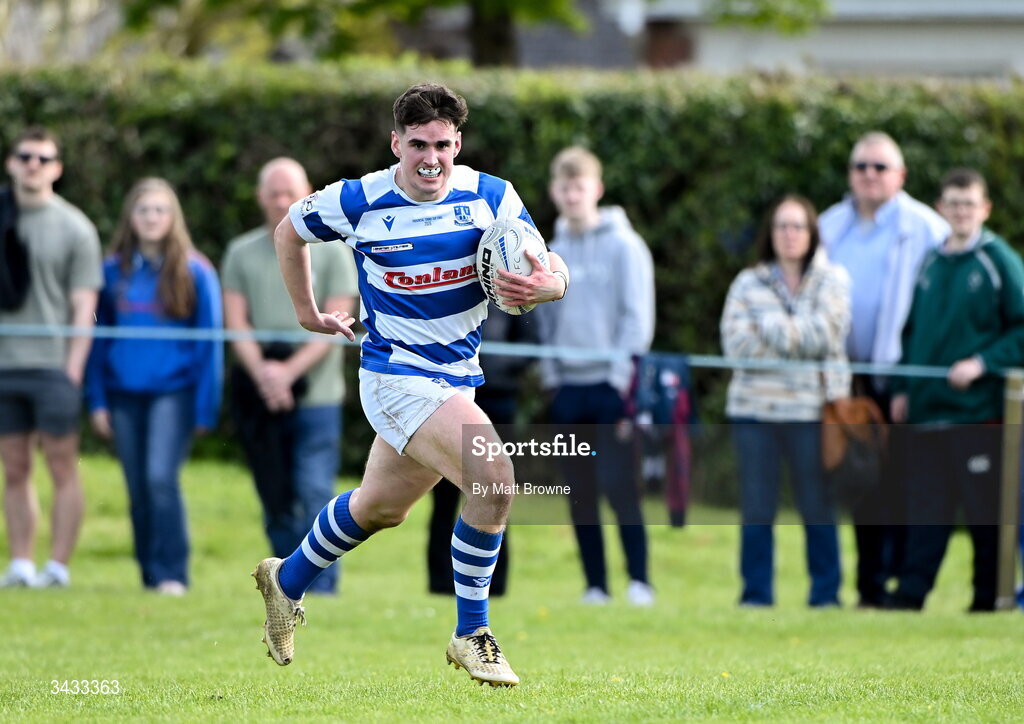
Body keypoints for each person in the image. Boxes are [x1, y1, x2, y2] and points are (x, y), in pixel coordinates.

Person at [251, 83, 569, 687]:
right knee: (495, 475)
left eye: (443, 145)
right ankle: (472, 632)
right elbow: (288, 232)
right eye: (417, 144)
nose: (431, 158)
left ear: (458, 144)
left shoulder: (491, 196)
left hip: (456, 382)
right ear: (396, 143)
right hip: (395, 376)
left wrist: (551, 285)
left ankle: (284, 579)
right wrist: (307, 312)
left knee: (379, 509)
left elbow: (545, 262)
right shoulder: (358, 200)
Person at [819, 131, 950, 608]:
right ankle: (869, 586)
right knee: (862, 483)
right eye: (861, 167)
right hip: (850, 378)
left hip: (906, 376)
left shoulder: (927, 226)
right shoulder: (830, 224)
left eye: (879, 167)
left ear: (901, 175)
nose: (869, 175)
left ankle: (904, 583)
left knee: (908, 484)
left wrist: (912, 378)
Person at [887, 169, 1024, 612]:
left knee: (984, 513)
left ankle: (987, 599)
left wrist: (982, 363)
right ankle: (910, 596)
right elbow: (913, 332)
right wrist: (905, 387)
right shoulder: (930, 261)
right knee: (924, 509)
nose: (961, 211)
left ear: (984, 209)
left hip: (976, 414)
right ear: (941, 208)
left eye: (969, 203)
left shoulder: (998, 260)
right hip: (928, 411)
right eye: (953, 202)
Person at [222, 158, 357, 596]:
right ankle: (284, 586)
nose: (282, 201)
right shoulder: (240, 253)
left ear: (308, 193)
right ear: (260, 197)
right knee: (276, 497)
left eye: (290, 192)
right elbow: (236, 324)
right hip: (260, 398)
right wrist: (264, 374)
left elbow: (338, 324)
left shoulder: (335, 251)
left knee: (315, 490)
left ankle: (323, 586)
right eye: (273, 193)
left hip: (317, 397)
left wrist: (288, 372)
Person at [85, 177, 223, 595]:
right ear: (131, 216)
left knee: (161, 478)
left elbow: (211, 345)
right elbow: (96, 341)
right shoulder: (112, 272)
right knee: (137, 485)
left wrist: (205, 406)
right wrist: (97, 400)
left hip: (173, 394)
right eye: (143, 210)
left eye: (160, 210)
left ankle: (172, 574)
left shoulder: (195, 271)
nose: (151, 217)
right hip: (122, 394)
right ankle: (148, 573)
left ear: (172, 217)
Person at [535, 146, 656, 606]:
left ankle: (640, 581)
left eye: (579, 187)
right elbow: (542, 320)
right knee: (579, 493)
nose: (571, 195)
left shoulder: (626, 246)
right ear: (554, 192)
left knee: (620, 486)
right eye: (564, 188)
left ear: (596, 190)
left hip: (612, 387)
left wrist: (622, 380)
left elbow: (637, 318)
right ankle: (595, 585)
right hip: (568, 388)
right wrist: (552, 378)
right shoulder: (549, 251)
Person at [721, 195, 850, 607]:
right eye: (782, 226)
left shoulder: (833, 281)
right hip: (753, 413)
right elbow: (737, 346)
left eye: (798, 226)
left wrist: (770, 326)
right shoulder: (746, 282)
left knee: (818, 507)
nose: (790, 234)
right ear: (771, 234)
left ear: (812, 233)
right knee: (758, 508)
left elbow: (827, 335)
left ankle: (826, 595)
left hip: (813, 413)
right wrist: (797, 338)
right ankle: (756, 596)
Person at [0, 127, 101, 589]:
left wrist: (73, 367)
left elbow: (84, 304)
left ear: (57, 168)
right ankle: (21, 563)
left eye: (43, 158)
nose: (33, 165)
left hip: (53, 365)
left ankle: (57, 566)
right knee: (15, 467)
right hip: (5, 365)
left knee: (62, 466)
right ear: (11, 163)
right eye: (25, 157)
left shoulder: (75, 227)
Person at [425, 302, 539, 596]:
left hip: (499, 398)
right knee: (444, 491)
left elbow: (531, 343)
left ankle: (492, 584)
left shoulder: (512, 290)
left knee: (495, 490)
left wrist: (494, 367)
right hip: (451, 394)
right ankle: (439, 582)